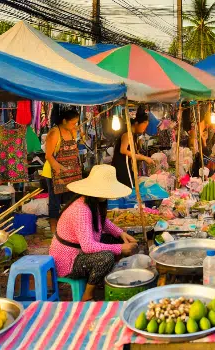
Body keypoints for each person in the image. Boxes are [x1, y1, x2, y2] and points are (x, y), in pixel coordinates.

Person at [49, 164, 139, 301]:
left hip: (80, 252)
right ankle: (87, 295)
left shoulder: (92, 203)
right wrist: (120, 248)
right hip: (68, 261)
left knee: (115, 241)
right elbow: (88, 247)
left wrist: (121, 234)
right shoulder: (81, 209)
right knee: (106, 257)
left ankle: (104, 278)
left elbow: (103, 222)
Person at [41, 108, 83, 236]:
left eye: (76, 123)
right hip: (55, 173)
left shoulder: (72, 131)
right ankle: (55, 232)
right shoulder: (54, 133)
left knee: (71, 202)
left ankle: (68, 230)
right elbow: (48, 156)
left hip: (71, 173)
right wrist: (59, 168)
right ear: (64, 121)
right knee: (55, 203)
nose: (74, 126)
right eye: (72, 123)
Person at [111, 106, 154, 188]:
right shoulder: (127, 134)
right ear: (137, 123)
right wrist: (144, 158)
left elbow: (133, 153)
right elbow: (123, 150)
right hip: (122, 168)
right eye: (144, 126)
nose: (144, 129)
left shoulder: (134, 135)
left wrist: (144, 158)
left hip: (127, 167)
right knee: (125, 189)